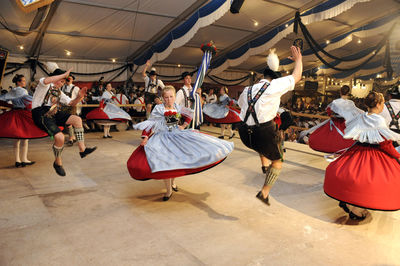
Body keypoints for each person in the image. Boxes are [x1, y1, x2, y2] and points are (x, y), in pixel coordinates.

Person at [127, 85, 234, 201]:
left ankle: (172, 182)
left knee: (176, 161)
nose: (169, 99)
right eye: (166, 97)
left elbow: (189, 115)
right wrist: (146, 137)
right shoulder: (158, 108)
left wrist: (183, 126)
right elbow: (151, 123)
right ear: (163, 98)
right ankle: (168, 191)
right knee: (165, 163)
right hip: (162, 137)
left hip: (176, 135)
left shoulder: (178, 107)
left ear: (174, 97)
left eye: (171, 97)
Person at [237, 45, 303, 206]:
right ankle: (264, 193)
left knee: (264, 145)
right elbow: (296, 76)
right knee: (279, 160)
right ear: (274, 78)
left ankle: (264, 164)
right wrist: (299, 60)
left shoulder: (247, 89)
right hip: (262, 133)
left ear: (262, 76)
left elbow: (241, 105)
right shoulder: (274, 86)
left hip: (244, 134)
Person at [324, 91, 400, 220]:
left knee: (354, 178)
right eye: (382, 103)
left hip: (358, 150)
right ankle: (356, 210)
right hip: (374, 153)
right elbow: (384, 144)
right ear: (378, 104)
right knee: (374, 182)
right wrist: (396, 155)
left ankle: (347, 201)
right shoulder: (379, 120)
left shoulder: (361, 117)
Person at [31, 68, 96, 176]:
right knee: (60, 138)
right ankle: (58, 162)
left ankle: (82, 149)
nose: (62, 84)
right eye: (61, 81)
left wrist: (79, 97)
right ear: (57, 78)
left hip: (53, 112)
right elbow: (46, 80)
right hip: (40, 113)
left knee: (77, 119)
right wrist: (64, 75)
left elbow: (71, 103)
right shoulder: (44, 85)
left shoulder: (58, 92)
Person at [301, 85, 363, 153]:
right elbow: (355, 111)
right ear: (348, 93)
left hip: (334, 122)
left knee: (329, 137)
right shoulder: (350, 103)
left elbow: (328, 110)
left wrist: (332, 115)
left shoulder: (335, 102)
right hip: (344, 123)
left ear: (340, 92)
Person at [0, 74, 35, 167]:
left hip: (14, 114)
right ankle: (24, 159)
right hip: (22, 114)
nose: (24, 82)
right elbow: (29, 102)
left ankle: (17, 160)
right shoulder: (23, 91)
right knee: (25, 138)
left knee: (17, 138)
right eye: (23, 81)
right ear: (18, 82)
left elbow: (2, 98)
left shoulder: (12, 91)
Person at [61, 74, 80, 146]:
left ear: (72, 80)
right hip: (64, 107)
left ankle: (71, 139)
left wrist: (78, 108)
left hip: (72, 107)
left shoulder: (76, 88)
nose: (68, 80)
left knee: (70, 123)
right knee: (68, 123)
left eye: (70, 79)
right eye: (67, 79)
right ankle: (73, 137)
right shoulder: (63, 87)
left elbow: (79, 98)